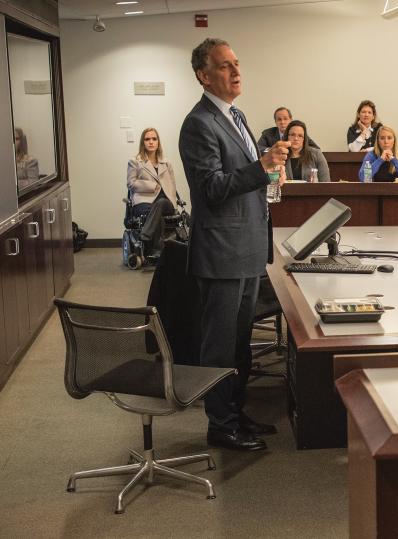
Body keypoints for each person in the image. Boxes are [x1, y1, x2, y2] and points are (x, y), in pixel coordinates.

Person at [178, 37, 289, 452]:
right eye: (225, 66)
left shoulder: (236, 114)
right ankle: (219, 425)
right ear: (204, 76)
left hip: (245, 248)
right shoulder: (198, 123)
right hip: (222, 252)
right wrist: (261, 166)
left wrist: (267, 163)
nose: (236, 71)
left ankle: (236, 413)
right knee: (220, 344)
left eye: (237, 63)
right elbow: (209, 188)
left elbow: (245, 176)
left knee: (241, 341)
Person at [126, 127, 179, 255]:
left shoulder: (166, 163)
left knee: (161, 203)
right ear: (142, 142)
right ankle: (157, 251)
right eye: (147, 139)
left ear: (158, 142)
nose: (151, 142)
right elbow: (131, 183)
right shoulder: (135, 162)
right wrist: (151, 186)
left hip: (165, 202)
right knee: (157, 216)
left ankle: (145, 235)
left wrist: (176, 204)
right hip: (145, 201)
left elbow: (172, 186)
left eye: (154, 139)